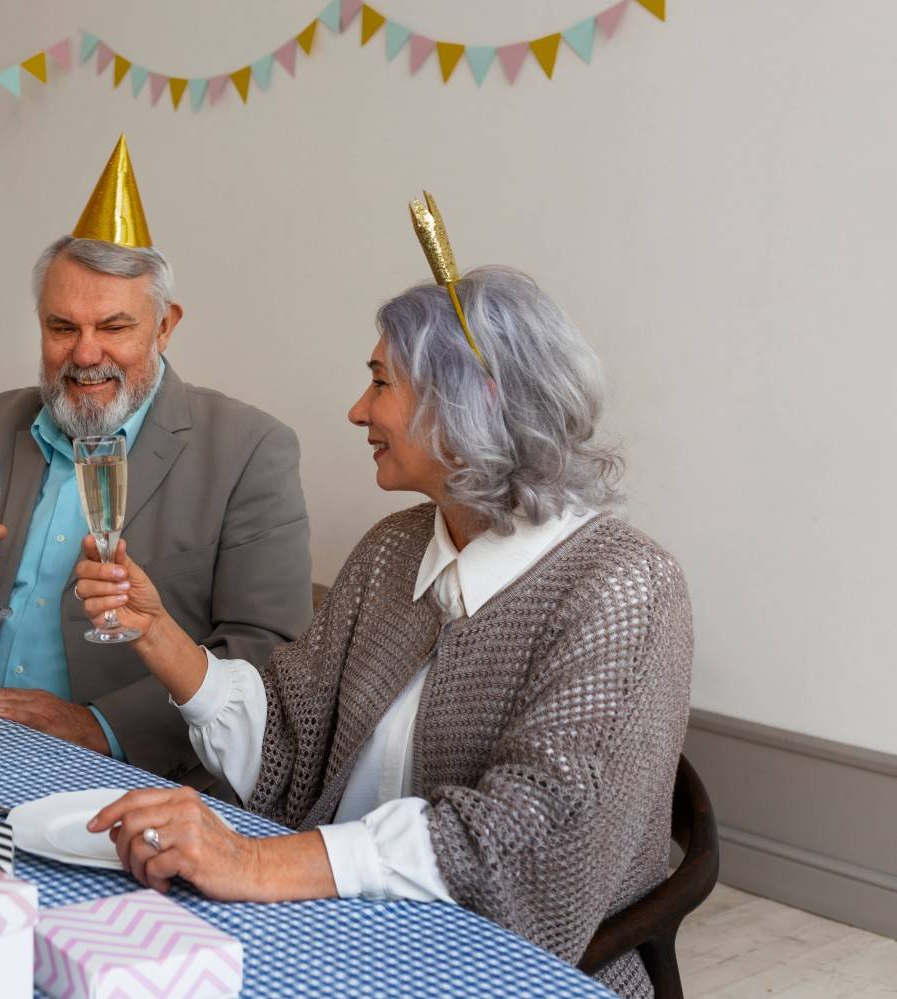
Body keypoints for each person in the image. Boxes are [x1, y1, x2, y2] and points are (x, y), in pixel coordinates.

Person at [73, 197, 693, 998]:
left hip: (502, 969)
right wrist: (161, 635)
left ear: (467, 403)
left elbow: (530, 839)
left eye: (379, 383)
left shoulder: (626, 589)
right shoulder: (398, 545)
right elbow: (292, 746)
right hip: (330, 923)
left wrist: (256, 859)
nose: (358, 410)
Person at [0, 137, 312, 787]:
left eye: (114, 327)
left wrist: (99, 726)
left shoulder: (248, 448)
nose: (85, 353)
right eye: (62, 326)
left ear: (165, 326)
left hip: (124, 778)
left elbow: (269, 660)